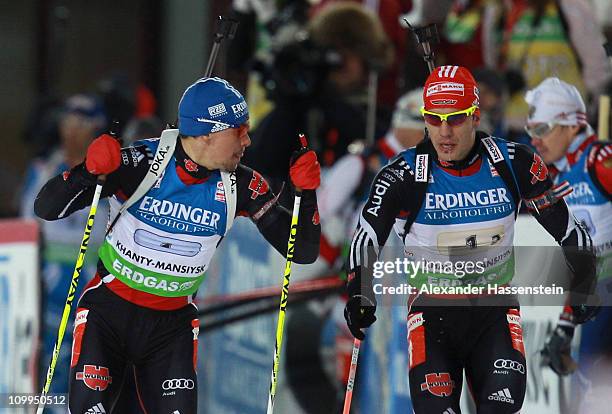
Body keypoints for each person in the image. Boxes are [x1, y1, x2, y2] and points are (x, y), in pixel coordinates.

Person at [33, 77, 321, 414]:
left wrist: (306, 194)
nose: (247, 140)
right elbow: (46, 208)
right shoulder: (142, 164)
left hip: (170, 332)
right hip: (108, 317)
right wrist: (87, 172)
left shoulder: (241, 184)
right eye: (238, 130)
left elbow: (301, 251)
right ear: (205, 133)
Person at [342, 65, 599, 413]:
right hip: (432, 320)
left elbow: (569, 229)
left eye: (456, 119)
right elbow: (365, 237)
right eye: (434, 120)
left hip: (494, 316)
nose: (444, 132)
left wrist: (585, 280)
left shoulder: (514, 162)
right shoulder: (402, 175)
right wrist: (360, 290)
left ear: (476, 116)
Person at [526, 78, 611, 408]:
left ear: (572, 125)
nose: (536, 139)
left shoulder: (598, 159)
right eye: (532, 129)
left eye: (544, 128)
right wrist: (564, 325)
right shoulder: (560, 178)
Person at [20, 94, 109, 407]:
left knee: (90, 361)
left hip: (93, 282)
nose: (72, 130)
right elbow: (26, 226)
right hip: (50, 282)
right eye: (68, 122)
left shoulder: (111, 174)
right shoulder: (44, 169)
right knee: (48, 359)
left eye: (82, 123)